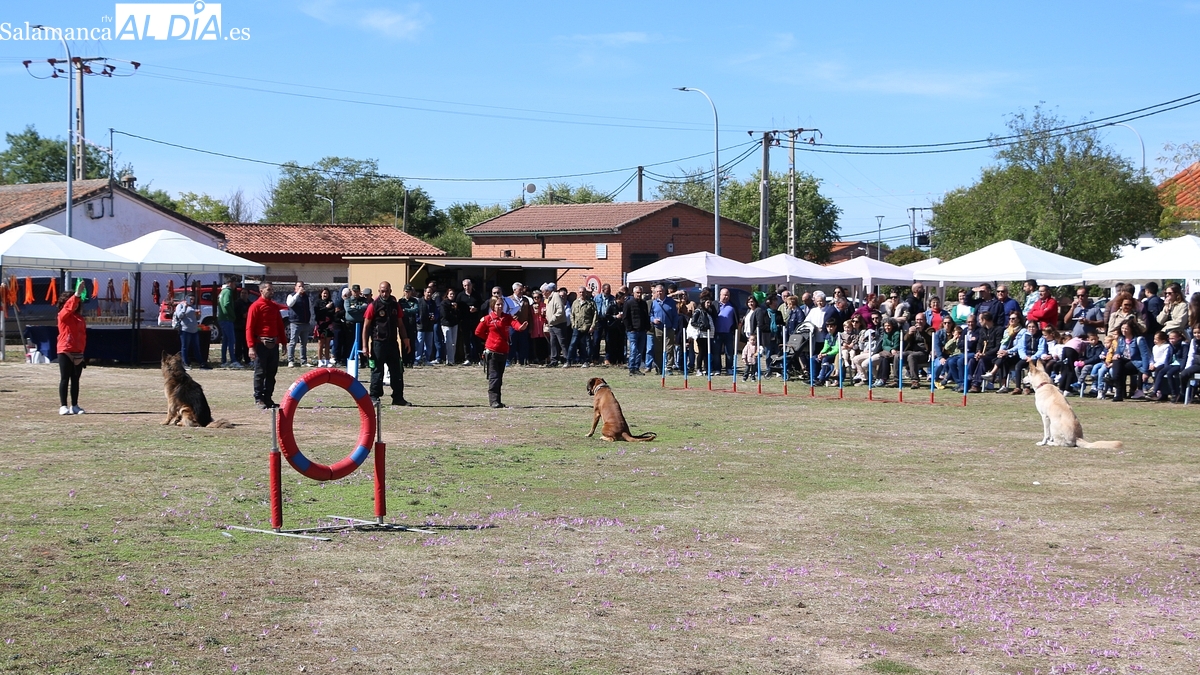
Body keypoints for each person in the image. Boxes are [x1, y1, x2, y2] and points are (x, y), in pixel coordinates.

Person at [362, 281, 412, 406]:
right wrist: (364, 346)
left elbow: (400, 324)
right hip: (378, 343)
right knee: (377, 371)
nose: (384, 293)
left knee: (397, 371)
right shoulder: (373, 306)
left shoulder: (395, 305)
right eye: (382, 291)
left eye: (387, 291)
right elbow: (366, 327)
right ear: (379, 291)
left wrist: (405, 339)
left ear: (390, 291)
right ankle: (374, 396)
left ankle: (398, 398)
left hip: (392, 343)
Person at [475, 296, 529, 408]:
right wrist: (489, 338)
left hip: (504, 352)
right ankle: (493, 401)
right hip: (492, 352)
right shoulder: (487, 319)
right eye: (498, 304)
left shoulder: (507, 317)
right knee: (494, 377)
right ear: (493, 306)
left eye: (501, 304)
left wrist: (521, 327)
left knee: (499, 377)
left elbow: (515, 324)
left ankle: (498, 401)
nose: (500, 307)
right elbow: (478, 332)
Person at [246, 282, 287, 409]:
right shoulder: (255, 306)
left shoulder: (274, 307)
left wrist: (284, 343)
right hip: (260, 345)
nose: (272, 292)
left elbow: (280, 326)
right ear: (262, 291)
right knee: (260, 372)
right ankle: (258, 398)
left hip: (273, 344)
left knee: (271, 373)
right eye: (269, 289)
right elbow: (249, 328)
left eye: (272, 289)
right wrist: (251, 347)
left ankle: (268, 398)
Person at [56, 283, 88, 415]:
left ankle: (75, 405)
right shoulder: (62, 315)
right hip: (65, 350)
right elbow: (68, 308)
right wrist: (76, 294)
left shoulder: (80, 318)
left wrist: (82, 351)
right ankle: (63, 405)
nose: (75, 304)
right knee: (65, 378)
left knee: (76, 380)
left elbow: (82, 335)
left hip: (78, 352)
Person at [1111, 319, 1149, 402]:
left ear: (1131, 329)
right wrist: (1116, 354)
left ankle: (1116, 385)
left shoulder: (1139, 339)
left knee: (1119, 370)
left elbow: (1145, 356)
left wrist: (1145, 371)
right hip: (1123, 361)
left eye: (1126, 328)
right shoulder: (1121, 339)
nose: (1124, 330)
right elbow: (1118, 351)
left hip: (1136, 363)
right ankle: (1118, 391)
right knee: (1117, 362)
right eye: (1122, 328)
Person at [623, 285, 650, 376]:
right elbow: (625, 317)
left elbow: (646, 316)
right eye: (637, 292)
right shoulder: (628, 303)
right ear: (633, 293)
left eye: (640, 292)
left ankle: (637, 368)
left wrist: (647, 327)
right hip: (632, 331)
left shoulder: (643, 303)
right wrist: (630, 328)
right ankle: (631, 368)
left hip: (642, 330)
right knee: (633, 350)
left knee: (640, 351)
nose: (639, 294)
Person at [568, 287, 597, 367]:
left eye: (583, 292)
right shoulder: (575, 303)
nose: (582, 294)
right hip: (577, 327)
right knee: (573, 344)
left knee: (587, 345)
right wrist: (573, 324)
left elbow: (595, 315)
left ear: (586, 293)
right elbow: (572, 314)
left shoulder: (591, 303)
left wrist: (593, 326)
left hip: (587, 327)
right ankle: (568, 361)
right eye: (580, 292)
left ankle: (586, 361)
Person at [285, 281, 313, 367]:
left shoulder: (306, 297)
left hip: (305, 323)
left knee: (303, 343)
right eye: (299, 286)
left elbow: (310, 308)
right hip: (295, 323)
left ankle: (303, 361)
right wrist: (297, 294)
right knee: (293, 342)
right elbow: (290, 304)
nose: (301, 288)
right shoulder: (291, 295)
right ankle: (291, 360)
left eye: (302, 286)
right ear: (295, 287)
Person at [543, 283, 569, 367]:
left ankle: (567, 360)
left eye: (544, 291)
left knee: (562, 342)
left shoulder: (556, 296)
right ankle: (554, 360)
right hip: (552, 325)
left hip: (559, 324)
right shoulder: (548, 298)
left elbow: (560, 311)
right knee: (553, 342)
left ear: (548, 291)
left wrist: (551, 319)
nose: (543, 293)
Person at [174, 294, 202, 369]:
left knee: (196, 347)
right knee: (185, 347)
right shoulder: (181, 306)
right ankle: (185, 363)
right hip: (185, 330)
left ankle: (201, 363)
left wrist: (199, 314)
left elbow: (197, 318)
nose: (192, 301)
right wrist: (185, 308)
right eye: (190, 299)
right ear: (186, 299)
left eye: (193, 299)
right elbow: (179, 315)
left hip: (194, 330)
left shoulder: (193, 306)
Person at [714, 288, 739, 375]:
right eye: (724, 295)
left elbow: (736, 318)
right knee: (716, 352)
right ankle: (717, 369)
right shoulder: (715, 305)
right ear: (720, 295)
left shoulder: (732, 306)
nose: (726, 297)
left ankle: (729, 368)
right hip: (717, 333)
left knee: (729, 352)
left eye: (728, 295)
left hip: (728, 333)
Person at [460, 278, 484, 365]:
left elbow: (482, 306)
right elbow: (458, 308)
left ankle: (480, 358)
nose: (467, 287)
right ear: (463, 286)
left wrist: (476, 309)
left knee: (477, 340)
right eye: (465, 285)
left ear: (472, 285)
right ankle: (468, 359)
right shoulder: (460, 296)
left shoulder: (477, 295)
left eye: (469, 285)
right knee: (466, 341)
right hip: (465, 321)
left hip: (475, 320)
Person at [415, 286, 439, 366]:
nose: (429, 294)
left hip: (429, 326)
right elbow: (416, 312)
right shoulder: (419, 301)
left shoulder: (433, 302)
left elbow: (436, 312)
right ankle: (417, 359)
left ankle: (426, 359)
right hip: (421, 326)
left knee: (429, 344)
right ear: (424, 293)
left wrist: (434, 317)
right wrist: (418, 319)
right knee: (419, 343)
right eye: (428, 292)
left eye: (430, 293)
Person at [216, 281, 238, 368]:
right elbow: (226, 304)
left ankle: (224, 360)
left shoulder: (222, 291)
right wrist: (232, 315)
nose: (235, 286)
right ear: (230, 283)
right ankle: (233, 360)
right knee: (231, 340)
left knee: (225, 341)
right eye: (235, 284)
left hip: (222, 318)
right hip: (227, 319)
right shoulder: (228, 291)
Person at [313, 288, 337, 367]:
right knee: (321, 343)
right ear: (321, 294)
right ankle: (320, 360)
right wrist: (326, 308)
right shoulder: (317, 302)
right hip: (321, 325)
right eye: (324, 293)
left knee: (327, 343)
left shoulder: (331, 303)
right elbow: (318, 313)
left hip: (328, 325)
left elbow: (332, 313)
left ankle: (327, 360)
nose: (325, 295)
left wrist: (326, 311)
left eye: (327, 293)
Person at [397, 284, 419, 367]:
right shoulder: (401, 301)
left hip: (411, 324)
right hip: (403, 324)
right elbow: (399, 311)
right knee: (404, 342)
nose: (407, 293)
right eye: (406, 292)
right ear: (404, 292)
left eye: (409, 292)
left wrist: (406, 310)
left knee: (412, 342)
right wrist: (409, 310)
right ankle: (405, 360)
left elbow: (416, 310)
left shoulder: (414, 301)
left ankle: (411, 361)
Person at [605, 287, 628, 367]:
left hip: (620, 327)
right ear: (619, 298)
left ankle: (620, 360)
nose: (624, 300)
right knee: (612, 344)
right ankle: (612, 360)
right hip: (612, 327)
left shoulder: (623, 306)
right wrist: (615, 316)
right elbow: (607, 315)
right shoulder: (611, 305)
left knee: (620, 344)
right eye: (623, 298)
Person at [440, 287, 461, 365]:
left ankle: (452, 360)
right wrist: (452, 310)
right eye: (450, 294)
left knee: (453, 343)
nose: (452, 295)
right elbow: (445, 314)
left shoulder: (456, 303)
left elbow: (458, 314)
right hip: (446, 324)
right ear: (447, 295)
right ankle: (448, 360)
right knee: (448, 342)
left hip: (454, 324)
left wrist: (455, 309)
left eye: (453, 294)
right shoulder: (444, 303)